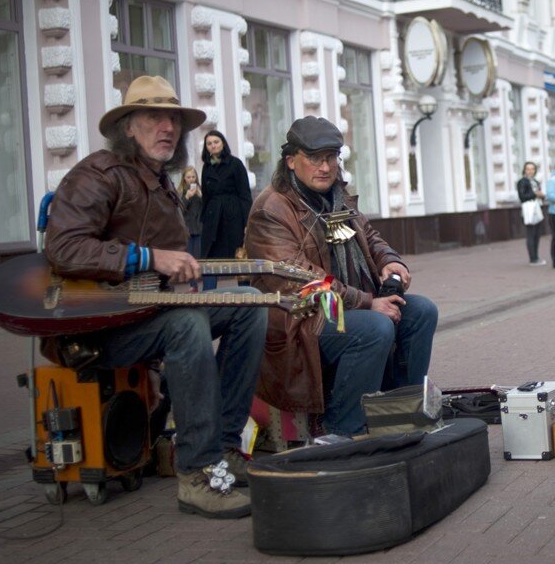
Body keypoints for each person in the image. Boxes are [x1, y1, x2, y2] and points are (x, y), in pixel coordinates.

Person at [44, 75, 266, 519]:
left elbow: (166, 267)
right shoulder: (98, 173)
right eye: (152, 116)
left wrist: (178, 278)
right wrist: (149, 258)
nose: (167, 127)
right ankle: (197, 473)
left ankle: (222, 448)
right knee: (189, 324)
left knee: (249, 303)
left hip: (146, 313)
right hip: (97, 329)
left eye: (173, 119)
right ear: (127, 126)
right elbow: (64, 248)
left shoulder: (165, 185)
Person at [244, 116, 438, 437]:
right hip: (297, 320)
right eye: (315, 158)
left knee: (421, 312)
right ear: (291, 161)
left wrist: (390, 262)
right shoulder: (271, 208)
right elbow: (301, 279)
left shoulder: (337, 198)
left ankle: (395, 412)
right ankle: (342, 430)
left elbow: (369, 236)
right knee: (375, 327)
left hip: (340, 307)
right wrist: (367, 302)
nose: (325, 167)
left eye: (332, 157)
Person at [200, 130, 253, 290]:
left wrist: (247, 222)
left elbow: (245, 194)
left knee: (239, 256)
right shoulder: (206, 168)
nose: (213, 145)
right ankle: (208, 294)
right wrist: (204, 219)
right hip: (213, 218)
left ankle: (245, 291)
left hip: (233, 217)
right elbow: (206, 196)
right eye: (209, 143)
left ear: (223, 143)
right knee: (209, 257)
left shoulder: (235, 164)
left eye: (216, 142)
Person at [517, 161, 547, 266]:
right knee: (531, 234)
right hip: (529, 210)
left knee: (537, 234)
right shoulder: (522, 182)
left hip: (537, 208)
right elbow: (522, 197)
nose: (530, 171)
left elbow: (539, 194)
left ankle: (536, 256)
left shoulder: (535, 181)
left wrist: (541, 196)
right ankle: (532, 259)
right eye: (528, 169)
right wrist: (535, 194)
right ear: (524, 170)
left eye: (532, 169)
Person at [178, 165, 203, 290]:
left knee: (198, 258)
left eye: (193, 177)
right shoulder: (181, 193)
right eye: (188, 177)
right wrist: (187, 197)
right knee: (189, 258)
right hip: (187, 231)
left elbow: (205, 210)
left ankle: (197, 283)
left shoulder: (200, 191)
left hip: (198, 230)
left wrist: (200, 196)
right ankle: (193, 285)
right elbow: (179, 211)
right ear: (184, 179)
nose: (191, 180)